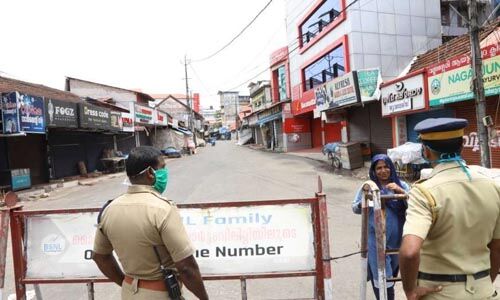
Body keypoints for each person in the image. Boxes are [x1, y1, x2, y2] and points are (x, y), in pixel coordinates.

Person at [399, 118, 500, 300]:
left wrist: (410, 290)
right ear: (462, 145)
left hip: (440, 293)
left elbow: (409, 251)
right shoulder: (492, 186)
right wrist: (484, 282)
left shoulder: (424, 192)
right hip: (485, 291)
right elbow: (497, 247)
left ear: (426, 152)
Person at [92, 146, 209, 300]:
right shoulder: (162, 209)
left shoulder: (109, 209)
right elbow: (186, 268)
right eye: (162, 168)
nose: (165, 173)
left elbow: (100, 257)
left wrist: (129, 284)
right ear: (149, 173)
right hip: (162, 294)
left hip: (128, 293)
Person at [352, 154, 410, 300]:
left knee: (391, 275)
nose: (383, 170)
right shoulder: (368, 187)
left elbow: (415, 205)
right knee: (381, 276)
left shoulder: (402, 186)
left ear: (391, 168)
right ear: (373, 170)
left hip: (398, 242)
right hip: (375, 241)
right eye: (379, 168)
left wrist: (400, 192)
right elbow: (355, 207)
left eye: (386, 167)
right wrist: (365, 200)